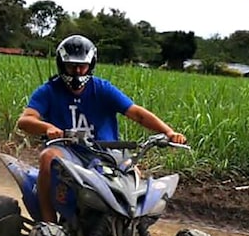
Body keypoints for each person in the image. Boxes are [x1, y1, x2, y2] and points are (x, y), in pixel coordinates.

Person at [16, 34, 187, 223]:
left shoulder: (103, 89)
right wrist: (48, 128)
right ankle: (48, 223)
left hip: (106, 154)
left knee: (134, 173)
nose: (77, 71)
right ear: (61, 64)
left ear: (91, 65)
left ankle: (133, 232)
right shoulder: (49, 91)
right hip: (69, 152)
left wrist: (168, 132)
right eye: (71, 66)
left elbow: (136, 113)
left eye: (82, 66)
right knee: (47, 157)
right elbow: (25, 120)